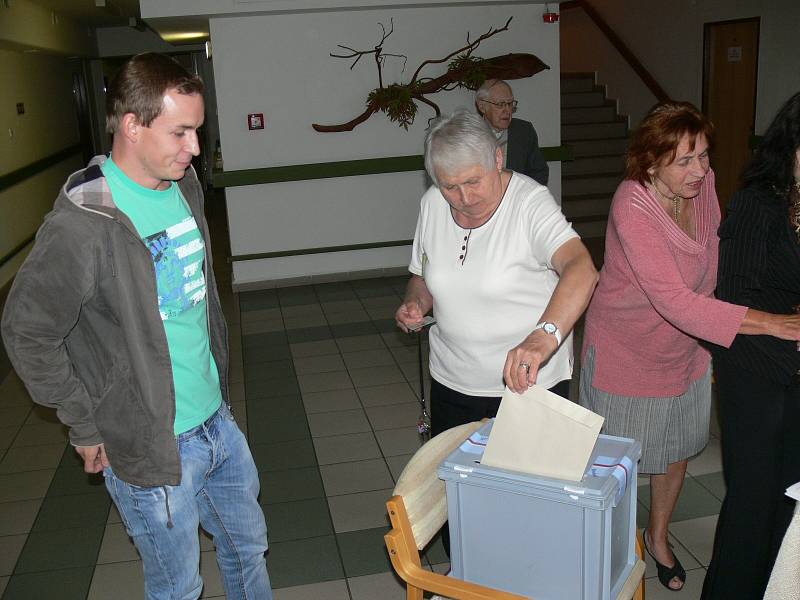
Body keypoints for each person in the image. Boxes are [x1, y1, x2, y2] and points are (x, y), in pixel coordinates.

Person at [1, 53, 272, 600]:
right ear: (132, 125)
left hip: (216, 423)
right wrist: (84, 421)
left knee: (248, 551)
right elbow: (26, 331)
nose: (194, 148)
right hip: (150, 445)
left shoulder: (184, 184)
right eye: (181, 132)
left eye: (197, 130)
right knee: (178, 587)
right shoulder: (82, 226)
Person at [579, 100, 800, 592]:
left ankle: (657, 538)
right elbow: (673, 300)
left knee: (676, 454)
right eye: (685, 160)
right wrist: (769, 323)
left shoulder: (703, 187)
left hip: (689, 351)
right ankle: (609, 556)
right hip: (628, 353)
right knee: (617, 466)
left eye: (704, 156)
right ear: (650, 162)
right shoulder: (631, 203)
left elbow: (721, 261)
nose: (700, 170)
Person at [395, 108, 597, 438]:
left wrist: (542, 337)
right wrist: (415, 303)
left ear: (498, 159)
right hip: (452, 382)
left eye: (473, 181)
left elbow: (582, 269)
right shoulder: (433, 204)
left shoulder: (530, 203)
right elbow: (422, 275)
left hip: (527, 383)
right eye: (450, 186)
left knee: (528, 484)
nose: (464, 198)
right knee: (459, 485)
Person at [701, 92, 800, 600]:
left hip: (797, 375)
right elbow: (731, 300)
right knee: (752, 499)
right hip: (755, 368)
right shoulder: (758, 203)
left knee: (791, 500)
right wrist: (783, 328)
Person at [475, 79, 549, 185]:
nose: (507, 110)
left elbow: (539, 172)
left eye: (510, 104)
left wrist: (526, 198)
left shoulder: (524, 131)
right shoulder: (468, 134)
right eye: (500, 104)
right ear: (482, 106)